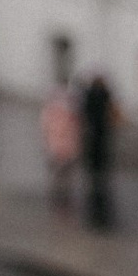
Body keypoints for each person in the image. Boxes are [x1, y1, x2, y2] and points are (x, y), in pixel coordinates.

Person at [78, 68, 117, 231]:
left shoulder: (91, 94)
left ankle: (96, 178)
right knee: (99, 156)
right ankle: (99, 178)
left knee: (96, 157)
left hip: (95, 132)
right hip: (101, 132)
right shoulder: (102, 94)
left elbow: (85, 111)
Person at [41, 79, 83, 216]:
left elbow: (45, 128)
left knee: (61, 173)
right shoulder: (68, 113)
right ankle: (62, 195)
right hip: (63, 148)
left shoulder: (52, 112)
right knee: (63, 173)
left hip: (59, 148)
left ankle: (61, 194)